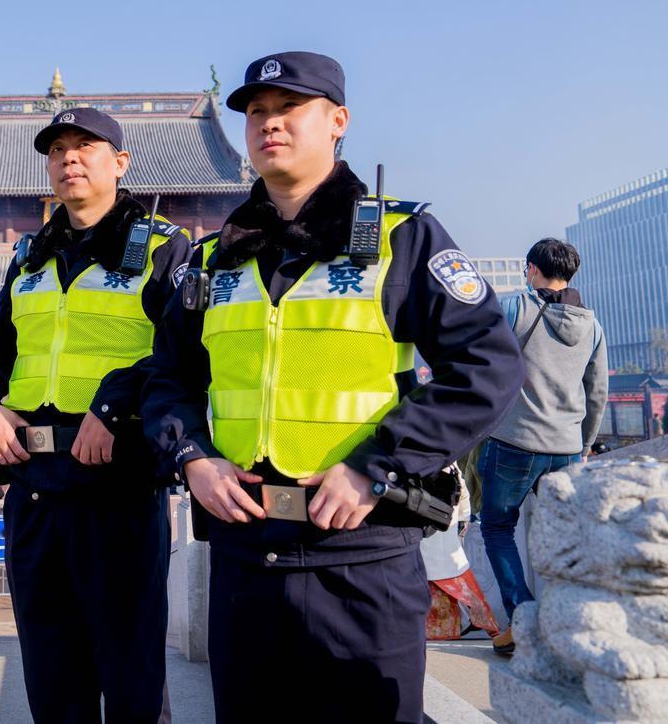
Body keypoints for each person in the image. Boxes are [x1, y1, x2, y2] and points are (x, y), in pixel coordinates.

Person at [143, 52, 525, 723]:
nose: (269, 124)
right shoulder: (213, 259)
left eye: (289, 107)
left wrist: (375, 465)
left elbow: (488, 366)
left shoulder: (401, 239)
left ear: (338, 120)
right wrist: (191, 456)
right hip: (243, 554)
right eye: (257, 112)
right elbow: (167, 377)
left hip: (361, 556)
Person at [0, 106, 192, 723]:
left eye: (86, 146)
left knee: (131, 672)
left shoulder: (165, 249)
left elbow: (186, 355)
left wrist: (115, 404)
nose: (70, 158)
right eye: (58, 149)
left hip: (116, 485)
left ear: (121, 162)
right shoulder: (30, 254)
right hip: (33, 487)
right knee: (51, 671)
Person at [479, 237, 608, 655]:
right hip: (568, 447)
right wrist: (585, 445)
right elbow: (597, 391)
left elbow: (480, 357)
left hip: (514, 442)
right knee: (565, 537)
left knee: (497, 527)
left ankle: (524, 620)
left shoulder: (514, 307)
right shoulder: (592, 324)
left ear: (532, 268)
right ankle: (570, 623)